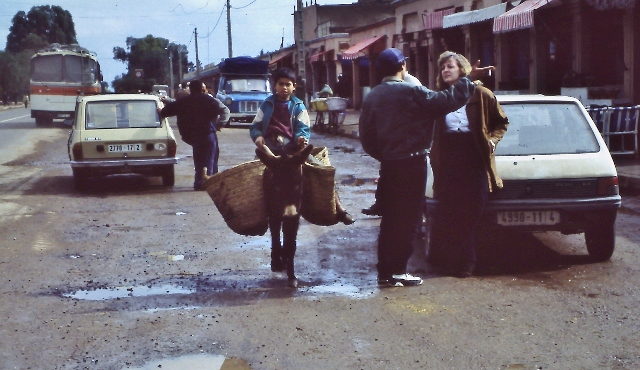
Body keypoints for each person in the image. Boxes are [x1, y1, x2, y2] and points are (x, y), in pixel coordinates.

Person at [359, 47, 493, 287]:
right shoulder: (413, 92)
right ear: (402, 67)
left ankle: (385, 272)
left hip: (389, 164)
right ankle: (399, 270)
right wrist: (469, 79)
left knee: (390, 219)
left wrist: (386, 155)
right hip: (413, 163)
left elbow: (366, 139)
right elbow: (447, 100)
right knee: (409, 219)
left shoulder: (372, 97)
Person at [427, 52, 509, 278]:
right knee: (450, 212)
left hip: (474, 156)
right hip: (448, 158)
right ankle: (455, 262)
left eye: (450, 66)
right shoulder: (440, 97)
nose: (445, 70)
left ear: (462, 69)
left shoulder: (481, 94)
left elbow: (501, 121)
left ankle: (467, 260)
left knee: (472, 211)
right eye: (442, 66)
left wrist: (492, 141)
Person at [250, 67, 354, 225]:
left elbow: (303, 128)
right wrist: (257, 136)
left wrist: (301, 139)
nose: (284, 87)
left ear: (294, 86)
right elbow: (255, 125)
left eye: (288, 84)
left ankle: (339, 208)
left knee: (323, 170)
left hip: (293, 149)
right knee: (253, 176)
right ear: (274, 85)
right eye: (280, 84)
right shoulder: (266, 105)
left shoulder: (298, 106)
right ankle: (256, 214)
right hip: (271, 149)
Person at [361, 70, 422, 217]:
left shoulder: (411, 84)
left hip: (408, 141)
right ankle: (382, 204)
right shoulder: (392, 85)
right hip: (394, 140)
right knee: (386, 174)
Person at [159, 79, 230, 190]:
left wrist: (160, 111)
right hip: (208, 134)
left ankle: (199, 183)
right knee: (210, 159)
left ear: (190, 89)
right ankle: (208, 182)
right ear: (202, 89)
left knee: (199, 161)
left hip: (194, 137)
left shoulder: (184, 101)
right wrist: (219, 124)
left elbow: (166, 111)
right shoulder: (209, 100)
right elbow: (223, 110)